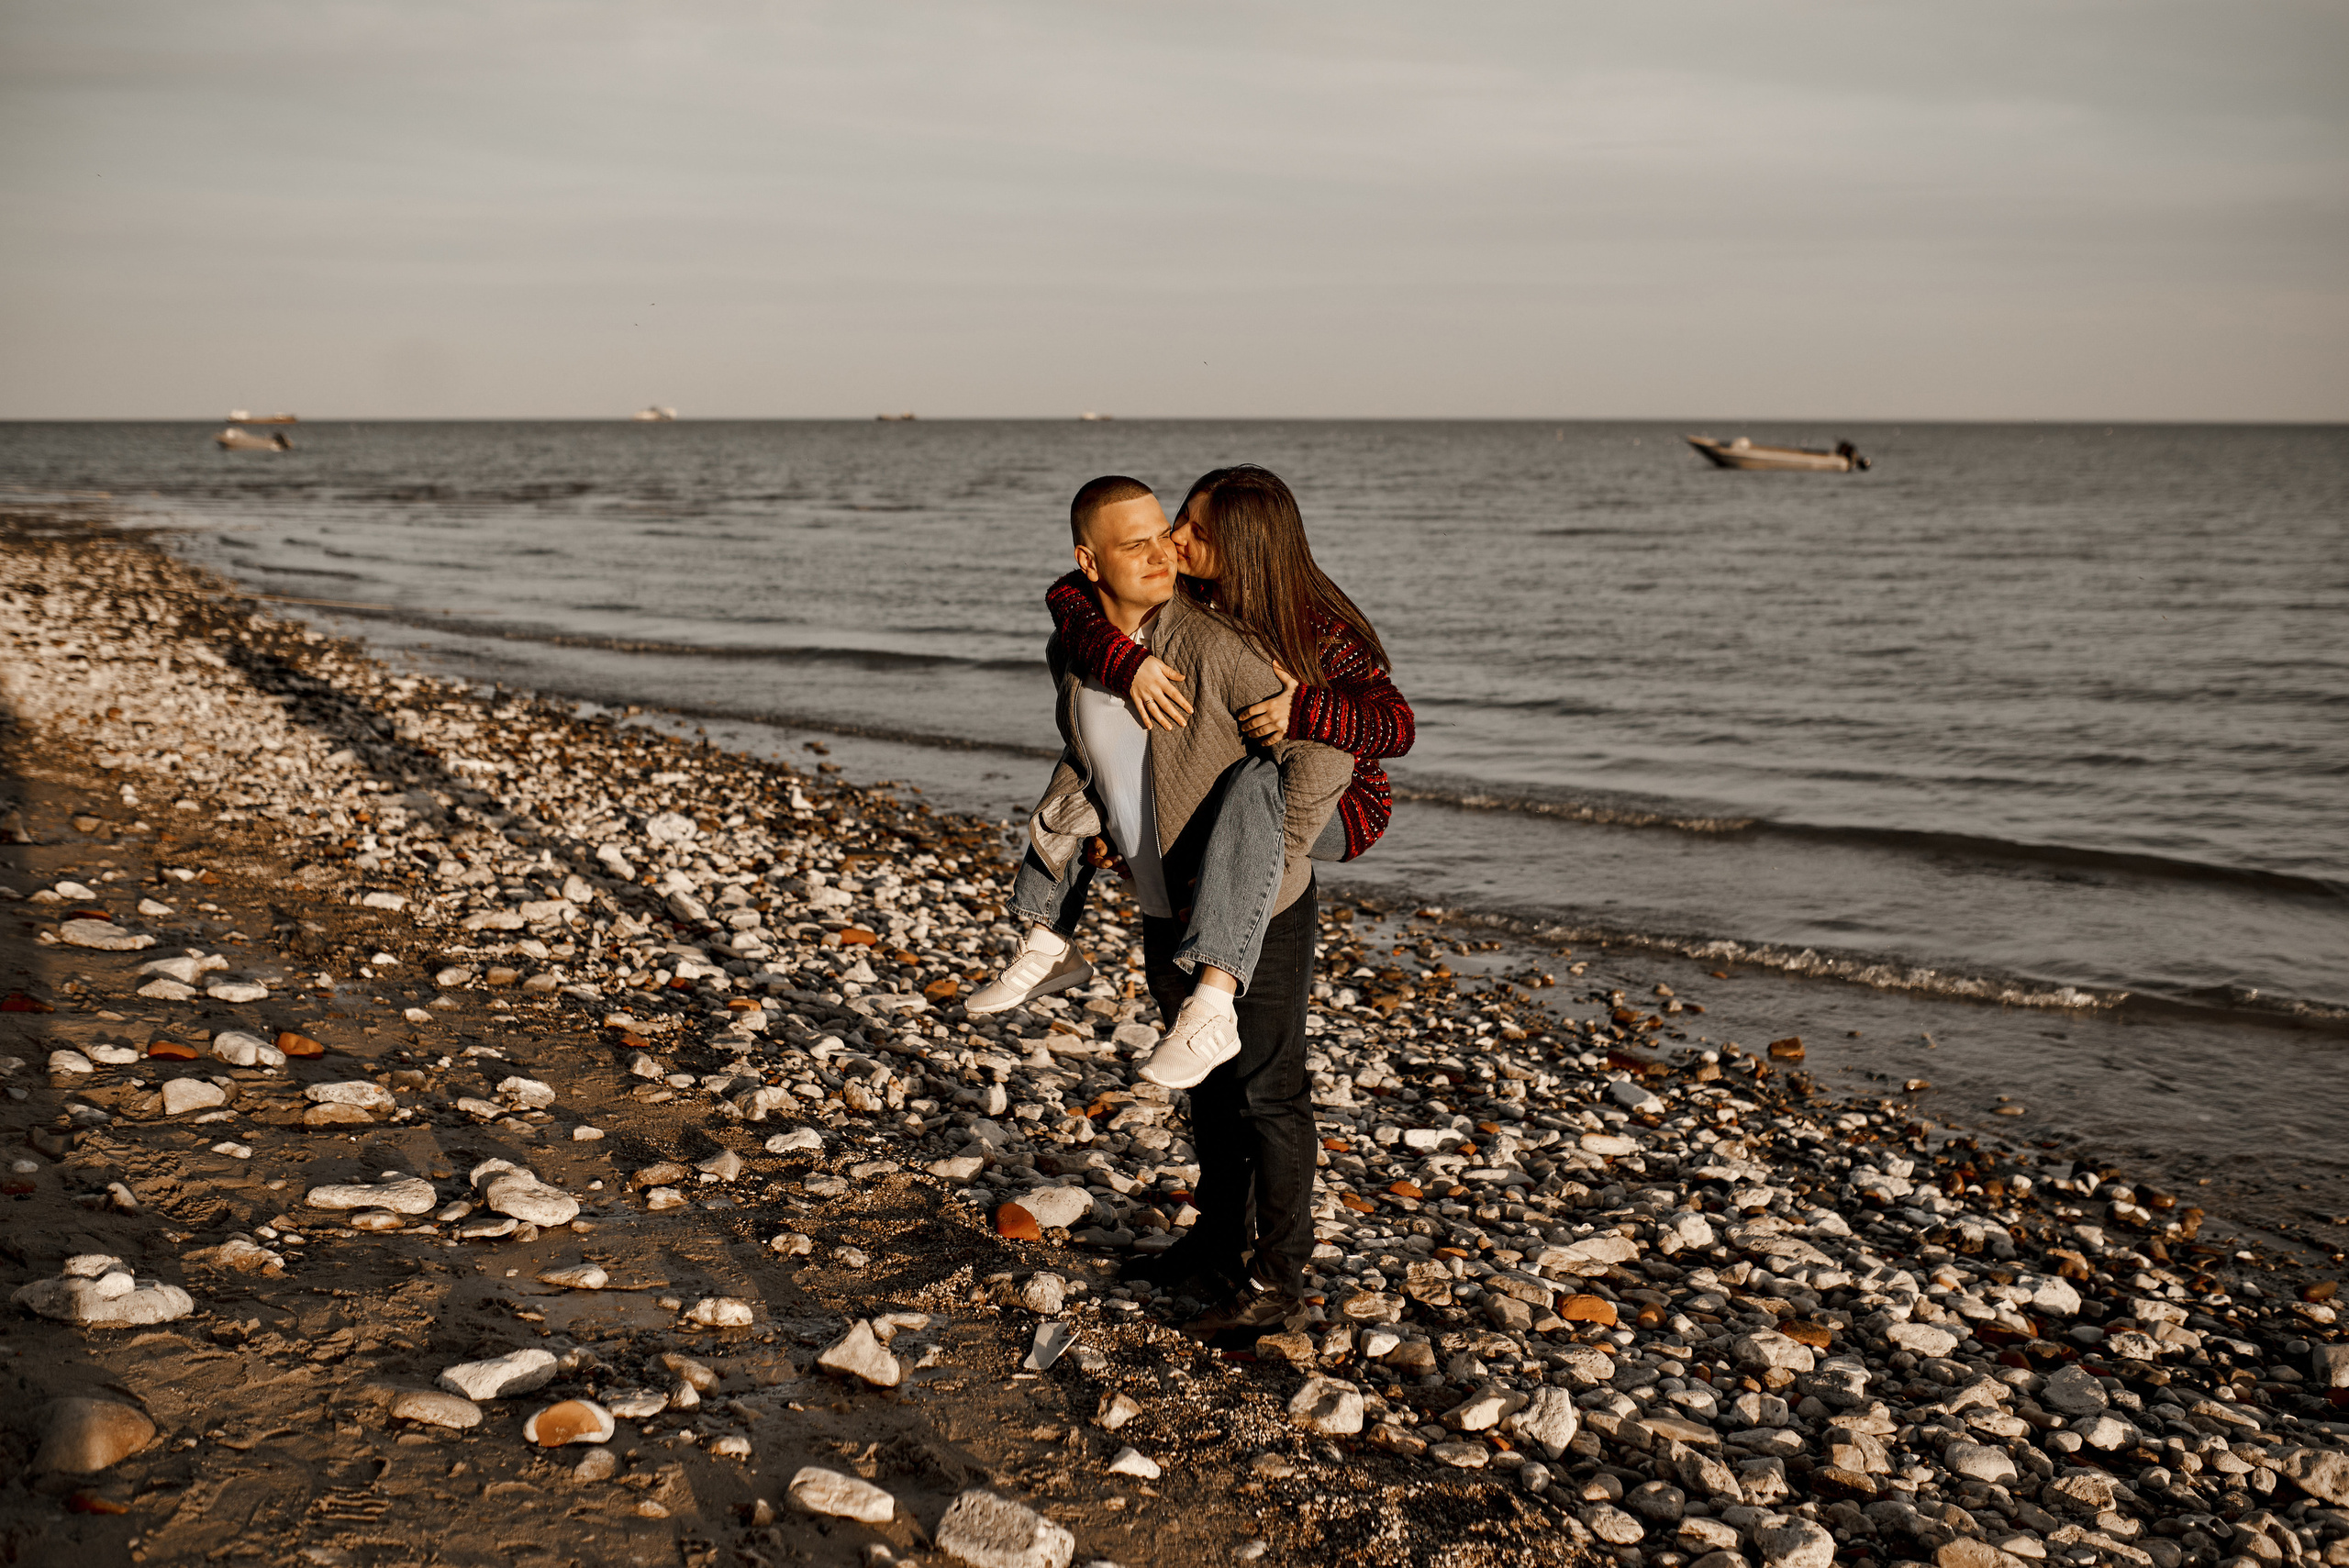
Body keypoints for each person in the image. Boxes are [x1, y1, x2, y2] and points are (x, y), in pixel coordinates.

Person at [970, 466, 1414, 1096]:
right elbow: (1071, 597)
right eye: (1180, 518)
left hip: (1343, 805)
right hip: (1236, 803)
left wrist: (1304, 709)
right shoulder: (1190, 601)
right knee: (1086, 769)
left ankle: (1213, 997)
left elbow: (1395, 726)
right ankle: (1047, 932)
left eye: (1195, 531)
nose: (1175, 540)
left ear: (1245, 550)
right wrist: (1127, 664)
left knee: (1254, 780)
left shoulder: (1309, 626)